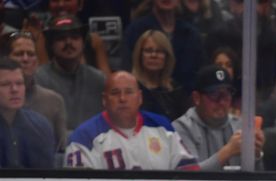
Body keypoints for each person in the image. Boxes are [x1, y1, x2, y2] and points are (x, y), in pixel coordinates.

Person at [64, 71, 199, 170]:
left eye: (129, 92)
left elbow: (189, 174)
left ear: (140, 98)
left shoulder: (161, 126)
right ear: (104, 100)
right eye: (115, 93)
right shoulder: (83, 137)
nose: (122, 98)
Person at [172, 65, 264, 171]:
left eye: (226, 94)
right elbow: (188, 175)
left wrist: (256, 154)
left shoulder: (239, 125)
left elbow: (258, 180)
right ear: (197, 98)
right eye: (214, 94)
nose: (222, 102)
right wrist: (228, 151)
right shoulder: (181, 128)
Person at [34, 14, 105, 135]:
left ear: (83, 43)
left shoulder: (98, 79)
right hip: (56, 149)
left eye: (75, 37)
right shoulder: (38, 79)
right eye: (61, 38)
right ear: (51, 45)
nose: (68, 42)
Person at [2, 29, 67, 150]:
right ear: (6, 59)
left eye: (31, 54)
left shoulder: (54, 101)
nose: (25, 59)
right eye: (19, 54)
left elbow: (61, 152)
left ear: (37, 62)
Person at [123, 0, 204, 91]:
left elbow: (199, 73)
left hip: (184, 97)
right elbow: (127, 69)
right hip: (144, 95)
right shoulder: (135, 31)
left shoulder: (191, 34)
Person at [0, 57, 56, 168]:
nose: (14, 89)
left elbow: (47, 177)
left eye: (19, 83)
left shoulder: (40, 126)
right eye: (5, 84)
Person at [130, 30, 190, 122]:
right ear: (139, 55)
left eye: (159, 51)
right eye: (148, 51)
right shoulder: (129, 88)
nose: (153, 55)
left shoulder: (175, 90)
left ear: (167, 56)